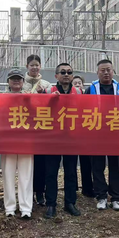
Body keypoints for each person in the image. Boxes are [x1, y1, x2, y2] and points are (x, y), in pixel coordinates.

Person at [84, 59, 119, 211]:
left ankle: (116, 197)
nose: (106, 73)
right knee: (97, 166)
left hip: (116, 134)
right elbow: (82, 108)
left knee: (116, 166)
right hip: (96, 134)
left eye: (108, 70)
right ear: (97, 72)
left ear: (113, 71)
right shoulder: (91, 89)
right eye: (103, 70)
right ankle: (101, 196)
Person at [43, 63, 82, 218]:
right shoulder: (48, 90)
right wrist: (49, 100)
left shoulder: (78, 91)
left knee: (71, 172)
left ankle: (70, 203)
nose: (66, 74)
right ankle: (51, 204)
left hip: (71, 138)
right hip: (52, 139)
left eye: (69, 72)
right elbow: (39, 110)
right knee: (51, 172)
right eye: (63, 72)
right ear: (56, 76)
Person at [1, 69, 34, 219]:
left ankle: (26, 208)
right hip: (7, 141)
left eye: (19, 79)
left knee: (26, 175)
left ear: (23, 81)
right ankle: (9, 207)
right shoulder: (1, 98)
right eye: (13, 78)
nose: (16, 81)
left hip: (26, 141)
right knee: (8, 175)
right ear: (8, 81)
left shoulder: (30, 97)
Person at [23, 54, 51, 206]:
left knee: (41, 163)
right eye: (31, 65)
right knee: (26, 164)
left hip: (41, 129)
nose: (34, 67)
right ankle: (27, 193)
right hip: (24, 129)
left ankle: (40, 192)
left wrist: (43, 95)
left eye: (37, 65)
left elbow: (52, 105)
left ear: (40, 67)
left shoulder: (46, 85)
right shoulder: (21, 83)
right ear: (27, 66)